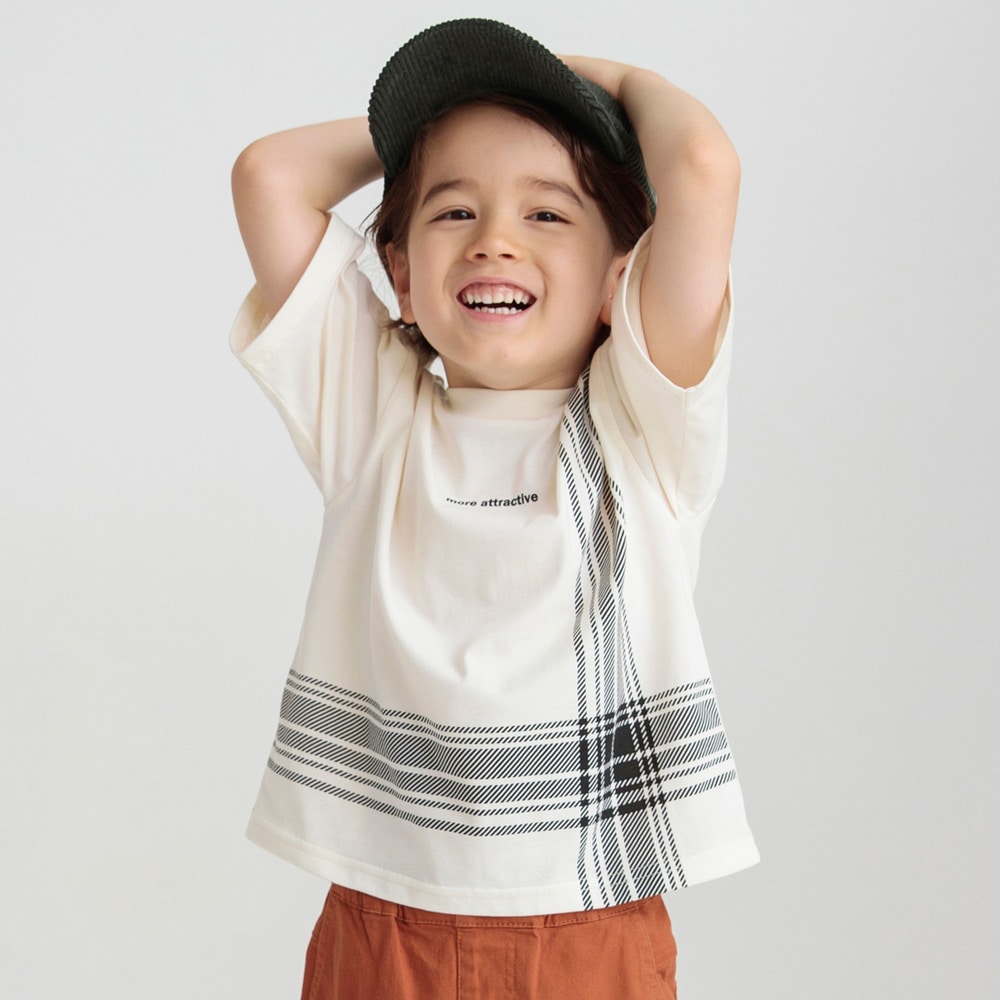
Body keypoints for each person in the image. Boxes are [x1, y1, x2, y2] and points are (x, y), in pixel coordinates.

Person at [229, 18, 758, 1000]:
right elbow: (270, 176)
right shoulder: (372, 419)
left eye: (547, 213)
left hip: (584, 923)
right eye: (454, 210)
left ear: (619, 279)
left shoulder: (645, 430)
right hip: (385, 920)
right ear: (399, 275)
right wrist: (440, 121)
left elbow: (700, 165)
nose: (495, 240)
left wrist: (596, 79)